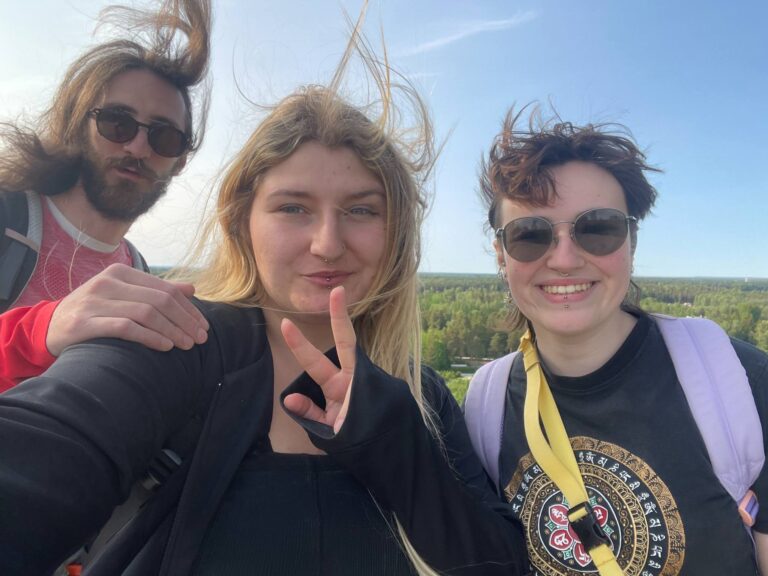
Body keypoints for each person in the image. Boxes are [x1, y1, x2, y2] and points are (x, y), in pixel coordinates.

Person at [0, 34, 530, 576]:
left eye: (362, 210)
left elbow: (499, 562)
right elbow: (43, 453)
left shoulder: (421, 395)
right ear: (242, 223)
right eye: (293, 208)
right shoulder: (175, 343)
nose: (327, 243)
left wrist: (402, 452)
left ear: (396, 233)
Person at [471, 106, 768, 575]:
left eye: (598, 229)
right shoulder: (483, 407)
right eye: (530, 235)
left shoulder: (742, 384)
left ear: (632, 241)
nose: (564, 259)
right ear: (501, 257)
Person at [0, 0, 213, 391]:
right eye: (117, 122)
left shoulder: (138, 273)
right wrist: (41, 332)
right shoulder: (8, 220)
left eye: (164, 137)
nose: (137, 147)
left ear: (180, 161)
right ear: (78, 124)